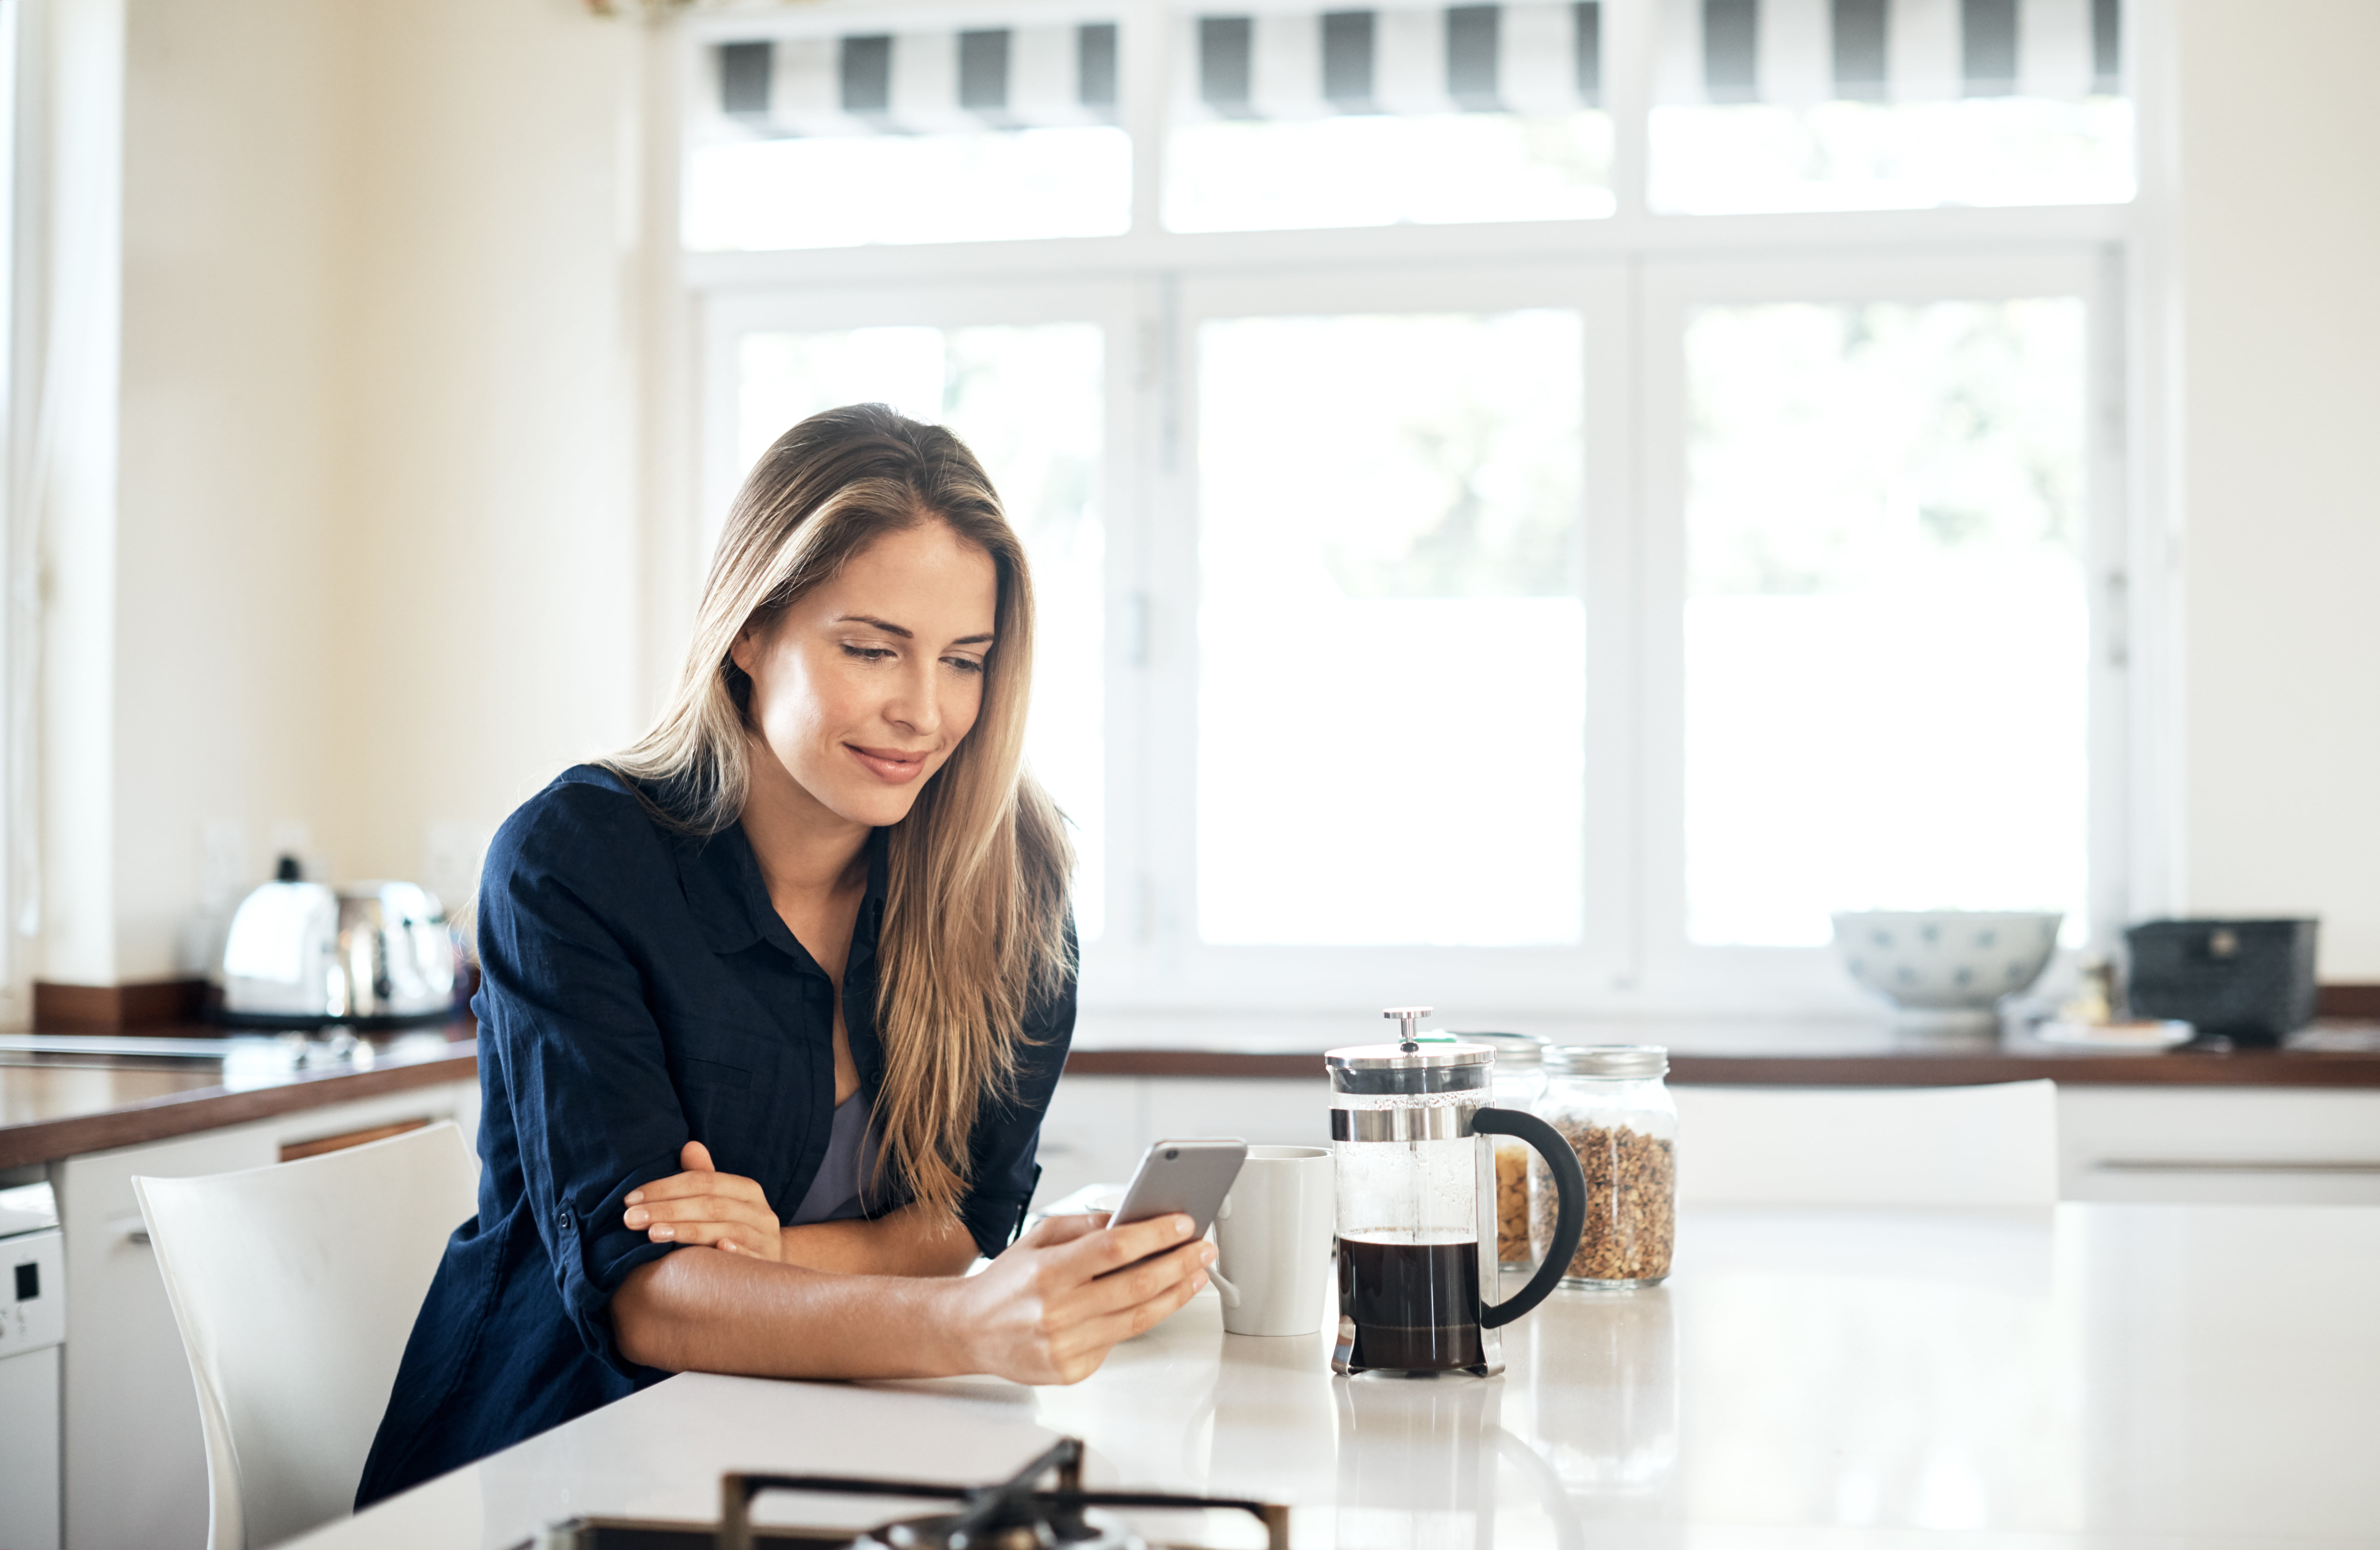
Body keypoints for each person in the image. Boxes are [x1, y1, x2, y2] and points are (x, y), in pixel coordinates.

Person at [356, 405, 1211, 1505]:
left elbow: (958, 1221)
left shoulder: (1013, 884)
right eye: (871, 650)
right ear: (750, 632)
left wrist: (770, 1258)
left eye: (964, 661)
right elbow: (645, 1302)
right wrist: (959, 1319)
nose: (924, 712)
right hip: (556, 1453)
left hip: (832, 1438)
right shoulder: (573, 862)